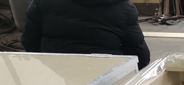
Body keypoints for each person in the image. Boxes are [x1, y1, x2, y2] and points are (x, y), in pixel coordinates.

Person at [21, 0, 150, 69]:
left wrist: (49, 64)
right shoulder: (124, 8)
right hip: (105, 76)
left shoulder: (43, 2)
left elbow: (29, 41)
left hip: (56, 74)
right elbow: (139, 54)